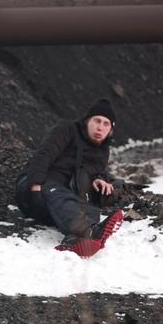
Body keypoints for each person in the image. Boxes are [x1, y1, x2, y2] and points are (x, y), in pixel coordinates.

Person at [15, 98, 124, 257]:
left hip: (60, 201)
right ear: (87, 120)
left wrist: (98, 179)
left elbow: (90, 175)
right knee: (56, 192)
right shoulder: (67, 129)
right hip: (34, 189)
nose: (100, 127)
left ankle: (74, 241)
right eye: (97, 121)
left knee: (90, 210)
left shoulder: (102, 151)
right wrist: (35, 186)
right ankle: (90, 231)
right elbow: (43, 155)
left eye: (106, 124)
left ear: (111, 129)